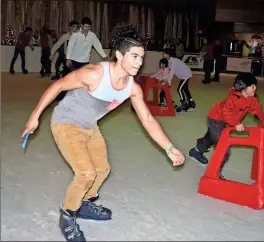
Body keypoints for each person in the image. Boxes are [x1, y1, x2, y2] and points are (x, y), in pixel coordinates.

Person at [21, 23, 185, 242]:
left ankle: (85, 202)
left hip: (89, 126)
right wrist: (35, 116)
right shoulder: (95, 74)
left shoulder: (132, 88)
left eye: (141, 57)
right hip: (66, 123)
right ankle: (67, 214)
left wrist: (169, 148)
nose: (139, 62)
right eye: (134, 56)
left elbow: (147, 119)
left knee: (102, 169)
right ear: (119, 55)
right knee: (86, 172)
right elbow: (58, 86)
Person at [188, 73, 264, 179]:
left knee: (211, 138)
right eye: (252, 86)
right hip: (216, 119)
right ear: (243, 87)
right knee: (223, 146)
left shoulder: (252, 99)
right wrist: (235, 123)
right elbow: (226, 112)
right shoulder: (233, 98)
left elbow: (257, 109)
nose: (255, 88)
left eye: (255, 85)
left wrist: (263, 119)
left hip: (227, 121)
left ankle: (196, 151)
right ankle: (216, 172)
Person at [162, 48, 196, 112]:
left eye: (164, 53)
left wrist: (169, 81)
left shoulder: (173, 61)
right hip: (184, 76)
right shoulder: (169, 61)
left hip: (186, 75)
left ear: (168, 54)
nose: (163, 54)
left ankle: (184, 104)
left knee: (179, 89)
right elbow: (169, 72)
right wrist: (166, 79)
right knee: (185, 89)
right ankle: (191, 102)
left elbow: (172, 72)